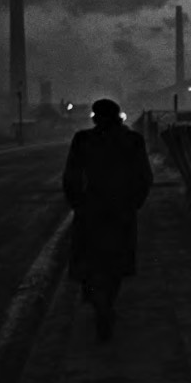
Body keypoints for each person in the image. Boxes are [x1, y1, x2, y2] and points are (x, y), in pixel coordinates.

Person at [62, 98, 153, 342]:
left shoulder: (83, 140)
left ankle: (99, 305)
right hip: (120, 210)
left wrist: (78, 203)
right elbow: (144, 177)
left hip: (91, 210)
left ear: (95, 117)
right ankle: (106, 305)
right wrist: (133, 203)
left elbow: (71, 177)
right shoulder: (133, 140)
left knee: (90, 263)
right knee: (116, 263)